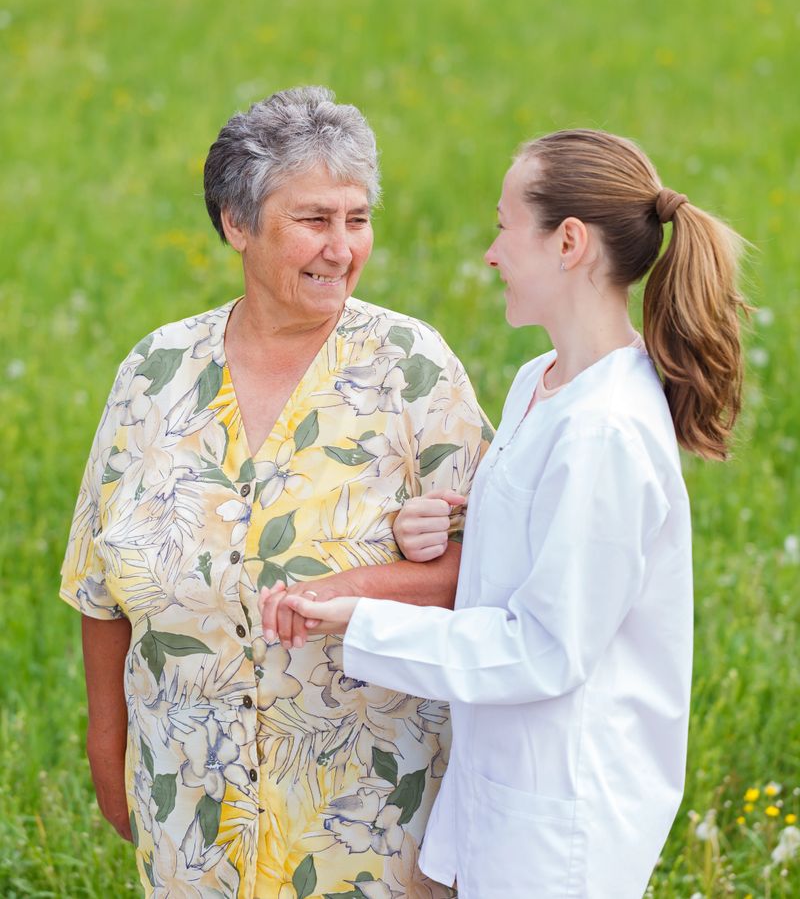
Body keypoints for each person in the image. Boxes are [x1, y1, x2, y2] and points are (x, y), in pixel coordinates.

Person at [279, 128, 748, 898]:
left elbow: (543, 648)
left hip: (563, 834)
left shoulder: (607, 430)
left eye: (503, 227)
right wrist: (437, 527)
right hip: (501, 796)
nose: (491, 253)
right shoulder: (544, 380)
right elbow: (522, 567)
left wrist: (360, 618)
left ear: (568, 242)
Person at [60, 87, 490, 898]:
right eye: (314, 220)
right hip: (189, 798)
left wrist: (347, 587)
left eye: (356, 219)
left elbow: (492, 569)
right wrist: (106, 744)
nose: (341, 247)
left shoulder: (412, 366)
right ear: (236, 223)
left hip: (365, 811)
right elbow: (97, 583)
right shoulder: (155, 370)